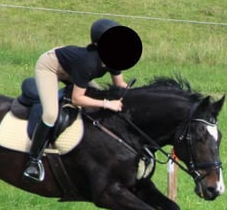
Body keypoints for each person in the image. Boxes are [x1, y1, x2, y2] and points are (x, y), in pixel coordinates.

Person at [22, 18, 142, 182]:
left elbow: (120, 84)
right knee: (50, 114)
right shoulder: (88, 63)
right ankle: (33, 161)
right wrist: (108, 104)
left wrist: (138, 97)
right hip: (50, 66)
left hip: (72, 67)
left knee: (98, 97)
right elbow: (77, 99)